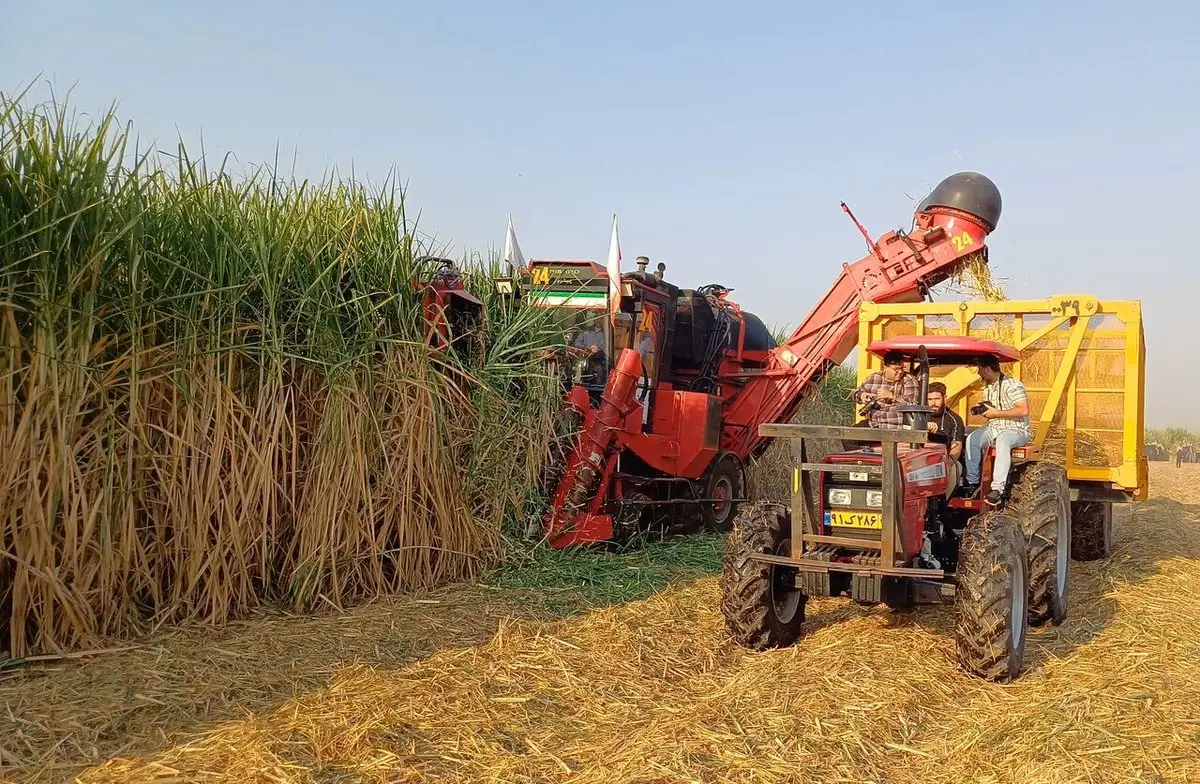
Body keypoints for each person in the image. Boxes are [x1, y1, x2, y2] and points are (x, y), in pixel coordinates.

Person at [963, 355, 1031, 506]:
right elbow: (993, 410)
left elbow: (1023, 410)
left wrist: (996, 413)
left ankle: (997, 490)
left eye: (979, 370)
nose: (978, 373)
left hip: (1016, 429)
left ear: (987, 370)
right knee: (972, 440)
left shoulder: (1013, 385)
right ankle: (972, 483)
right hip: (994, 426)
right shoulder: (988, 386)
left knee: (1003, 441)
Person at [852, 350, 920, 429]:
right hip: (873, 424)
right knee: (847, 437)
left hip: (896, 428)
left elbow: (914, 405)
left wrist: (892, 397)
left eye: (902, 368)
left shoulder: (908, 380)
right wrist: (861, 395)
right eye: (896, 369)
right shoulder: (873, 378)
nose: (900, 372)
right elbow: (856, 393)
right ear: (885, 367)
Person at [926, 382, 966, 463]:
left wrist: (948, 463)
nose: (933, 403)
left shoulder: (955, 419)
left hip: (946, 459)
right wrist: (923, 426)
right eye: (930, 399)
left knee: (954, 469)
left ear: (945, 398)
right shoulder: (920, 416)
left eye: (937, 399)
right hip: (923, 458)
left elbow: (956, 447)